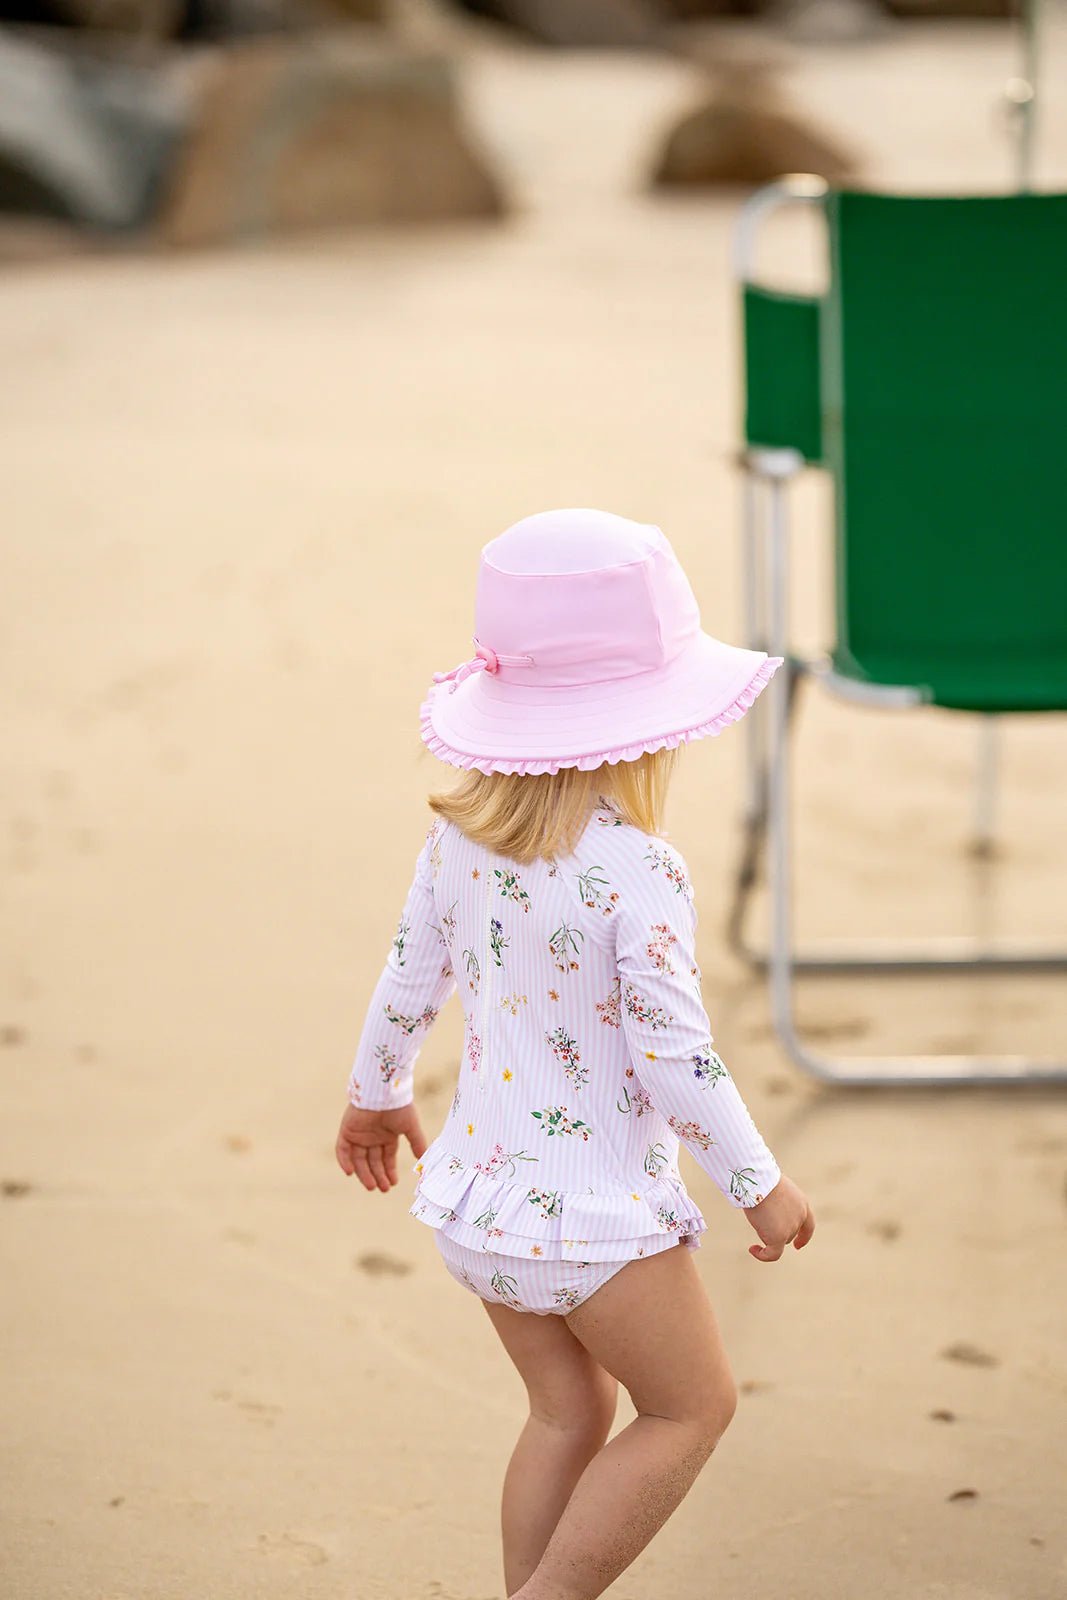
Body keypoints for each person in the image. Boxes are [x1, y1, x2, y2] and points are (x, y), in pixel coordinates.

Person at [335, 507, 816, 1600]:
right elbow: (673, 1058)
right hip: (594, 1220)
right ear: (648, 725)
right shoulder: (639, 870)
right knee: (690, 1408)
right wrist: (758, 1184)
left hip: (481, 1208)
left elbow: (407, 978)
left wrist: (374, 1098)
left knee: (567, 1410)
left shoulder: (458, 841)